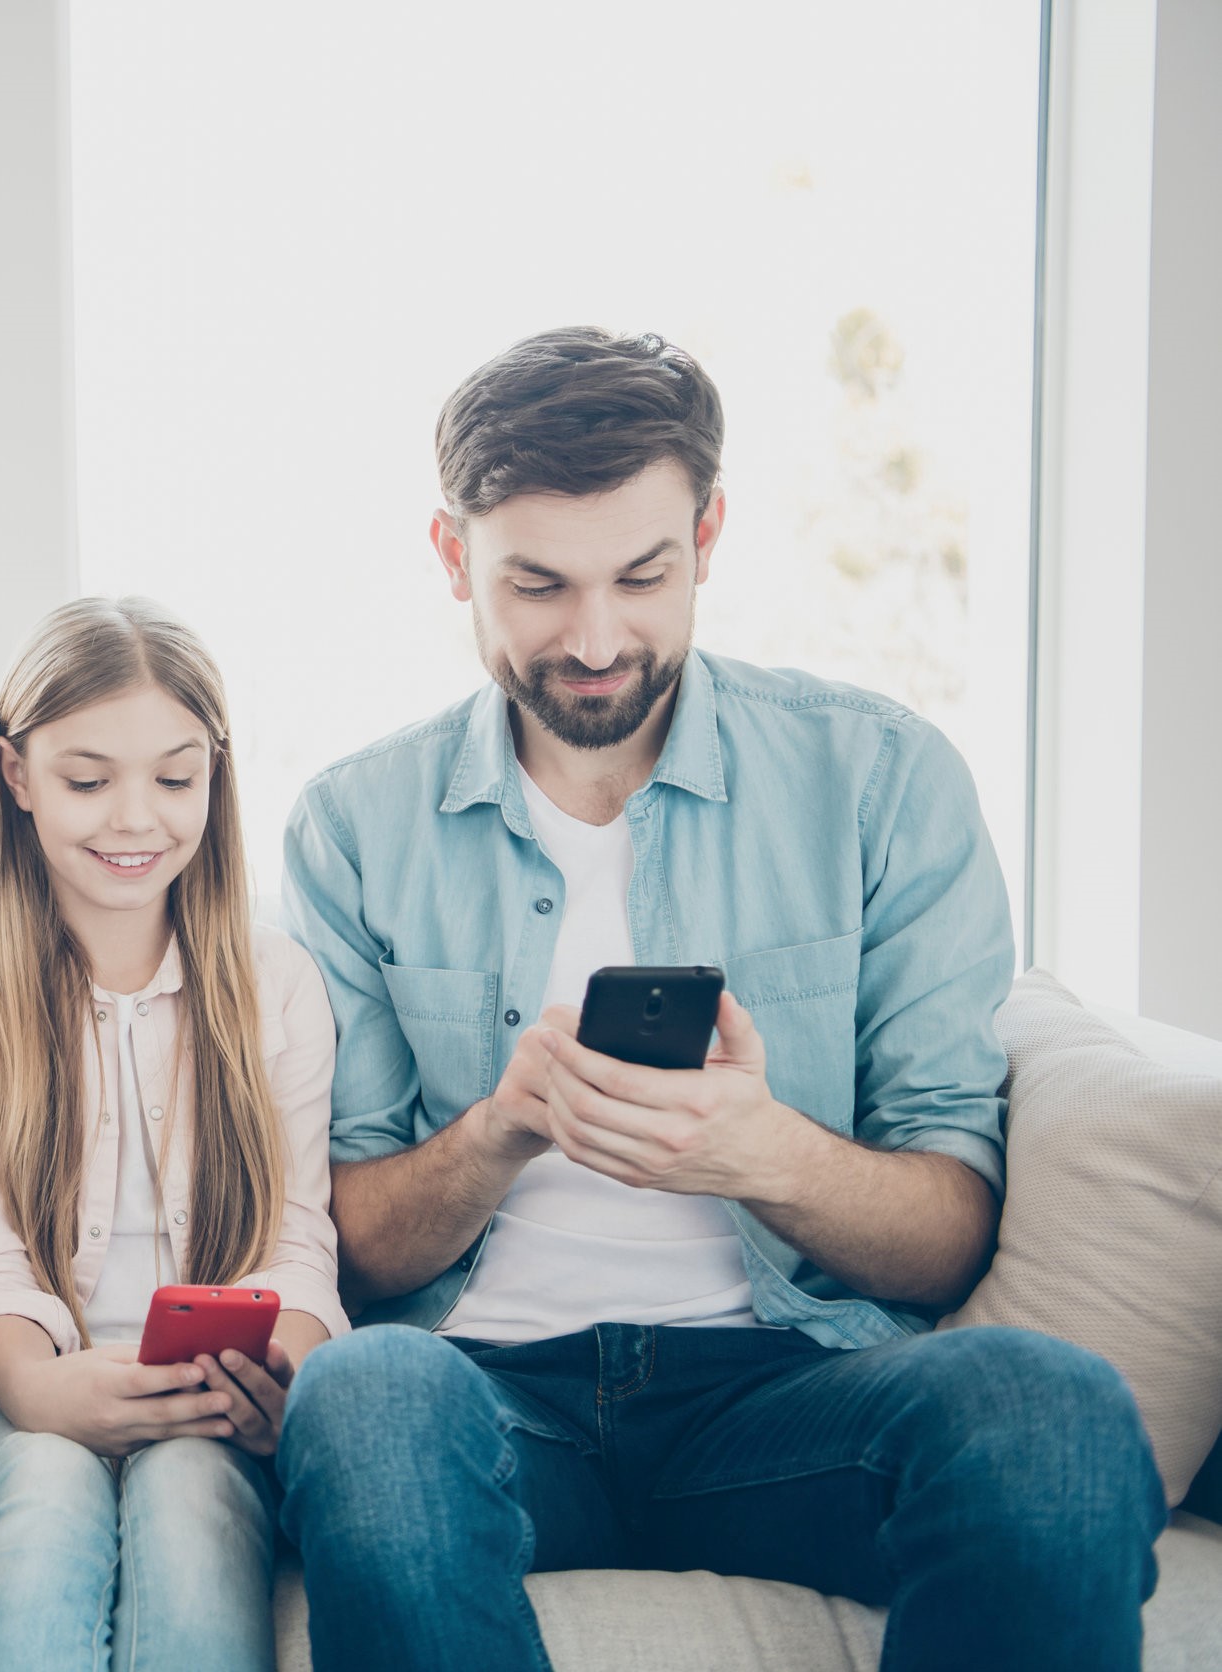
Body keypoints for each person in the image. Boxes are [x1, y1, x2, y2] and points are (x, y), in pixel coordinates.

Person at [277, 329, 1165, 1672]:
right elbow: (357, 1246)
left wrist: (769, 1158)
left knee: (1052, 1409)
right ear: (455, 557)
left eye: (643, 575)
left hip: (786, 1393)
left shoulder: (878, 780)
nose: (593, 639)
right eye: (537, 584)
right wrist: (502, 1130)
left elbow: (948, 1237)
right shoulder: (354, 825)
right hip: (485, 1396)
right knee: (360, 1392)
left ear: (710, 531)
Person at [0, 596, 347, 1672]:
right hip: (21, 1388)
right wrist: (44, 1390)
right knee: (47, 1487)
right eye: (88, 781)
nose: (135, 819)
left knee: (194, 1495)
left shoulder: (276, 983)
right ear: (16, 776)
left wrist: (274, 1372)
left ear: (216, 776)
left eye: (175, 778)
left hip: (209, 1401)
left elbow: (297, 1241)